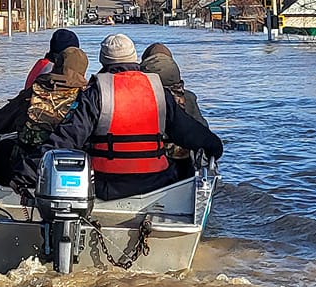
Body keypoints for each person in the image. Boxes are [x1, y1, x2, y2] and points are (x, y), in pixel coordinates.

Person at [45, 33, 222, 200]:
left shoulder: (95, 92)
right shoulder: (157, 89)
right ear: (135, 58)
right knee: (181, 168)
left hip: (106, 184)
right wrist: (214, 145)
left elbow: (68, 137)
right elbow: (187, 131)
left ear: (103, 61)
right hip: (157, 182)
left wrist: (32, 169)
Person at [0, 46, 91, 188]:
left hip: (27, 167)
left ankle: (3, 191)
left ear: (57, 64)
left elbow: (1, 121)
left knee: (2, 148)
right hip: (71, 167)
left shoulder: (35, 90)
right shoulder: (87, 96)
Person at [140, 42, 206, 159]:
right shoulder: (188, 98)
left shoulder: (137, 98)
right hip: (182, 163)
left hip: (147, 160)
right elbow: (202, 130)